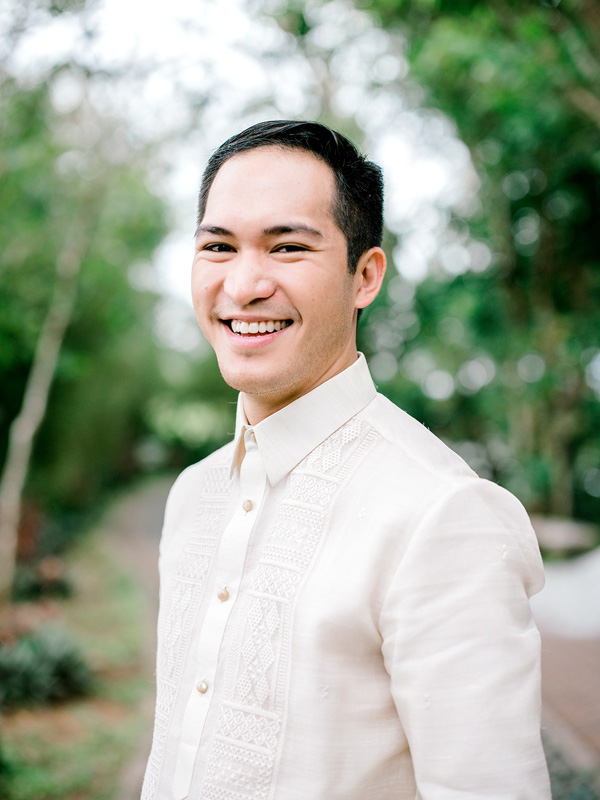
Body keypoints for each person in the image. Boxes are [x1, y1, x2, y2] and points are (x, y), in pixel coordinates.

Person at [142, 120, 551, 800]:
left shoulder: (442, 514)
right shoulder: (194, 493)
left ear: (365, 276)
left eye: (287, 247)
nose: (243, 285)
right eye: (218, 246)